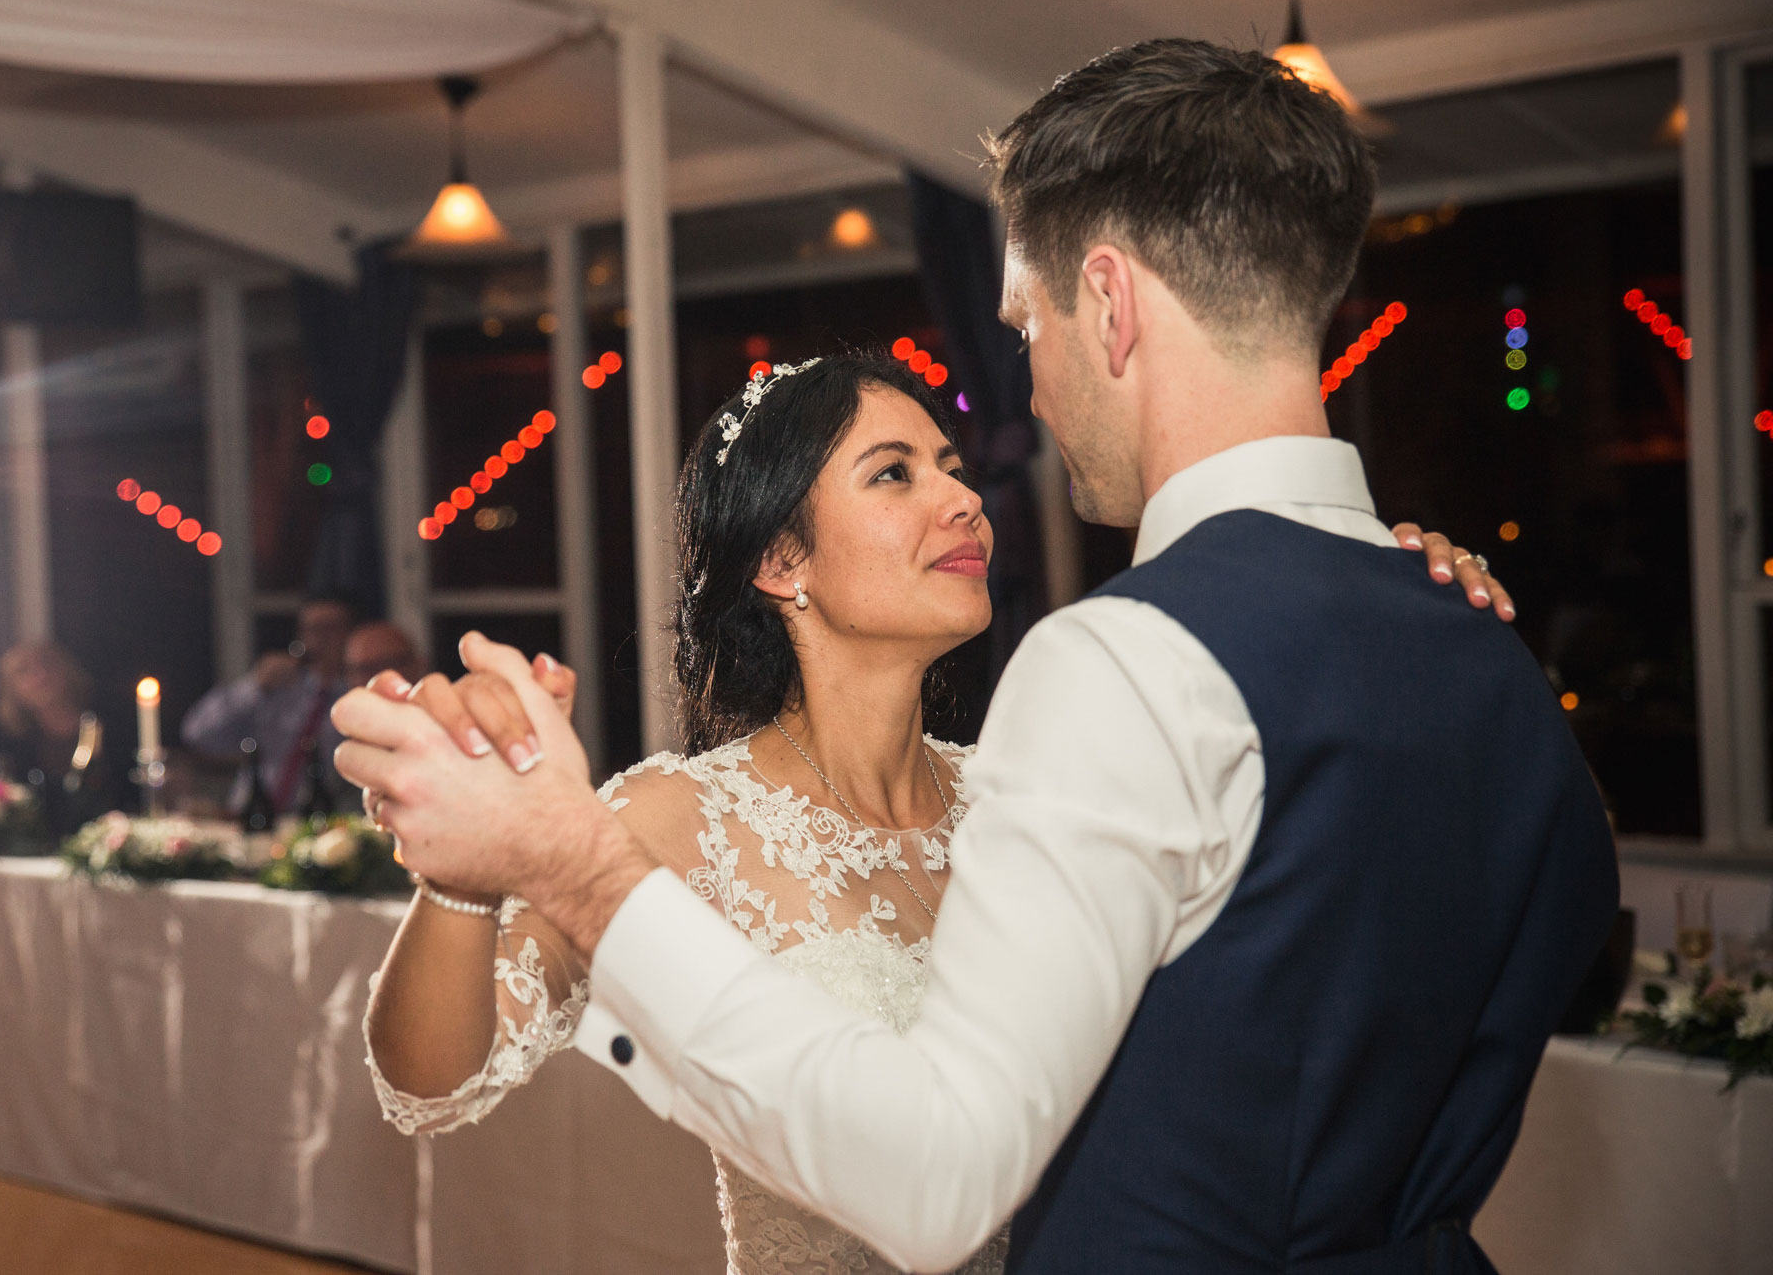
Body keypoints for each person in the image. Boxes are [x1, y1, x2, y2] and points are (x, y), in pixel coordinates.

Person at [344, 343, 1514, 1272]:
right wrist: (461, 876)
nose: (961, 498)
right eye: (894, 472)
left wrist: (1377, 593)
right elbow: (430, 1084)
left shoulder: (1028, 786)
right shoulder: (671, 817)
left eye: (954, 464)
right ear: (781, 562)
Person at [182, 592, 354, 815]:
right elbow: (198, 734)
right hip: (253, 814)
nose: (317, 640)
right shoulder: (277, 690)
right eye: (310, 630)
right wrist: (254, 686)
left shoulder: (356, 697)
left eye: (329, 629)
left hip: (325, 820)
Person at [0, 639, 108, 844]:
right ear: (11, 688)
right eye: (24, 671)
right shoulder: (16, 745)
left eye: (46, 664)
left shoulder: (104, 728)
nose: (40, 676)